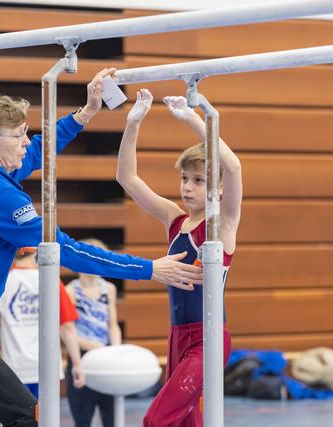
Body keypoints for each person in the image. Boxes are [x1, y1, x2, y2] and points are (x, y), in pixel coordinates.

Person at [0, 68, 202, 427]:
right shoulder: (0, 196)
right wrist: (149, 269)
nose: (27, 141)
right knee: (29, 416)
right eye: (19, 135)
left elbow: (37, 151)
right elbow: (66, 250)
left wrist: (85, 113)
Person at [116, 90, 243, 426]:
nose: (188, 187)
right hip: (176, 337)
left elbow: (232, 166)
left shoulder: (221, 224)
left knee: (156, 420)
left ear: (217, 189)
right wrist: (133, 123)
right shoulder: (174, 219)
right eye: (184, 179)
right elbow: (126, 178)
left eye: (199, 181)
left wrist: (193, 117)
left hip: (209, 338)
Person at [0, 247, 84, 399]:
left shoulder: (2, 282)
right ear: (36, 252)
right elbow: (67, 328)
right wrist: (77, 364)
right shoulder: (51, 281)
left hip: (15, 368)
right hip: (47, 367)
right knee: (46, 420)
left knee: (19, 419)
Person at [65, 238, 120, 427]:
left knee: (112, 418)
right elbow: (67, 331)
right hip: (82, 357)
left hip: (105, 357)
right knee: (82, 419)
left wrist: (116, 349)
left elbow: (112, 324)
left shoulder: (109, 289)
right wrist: (90, 346)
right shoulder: (71, 291)